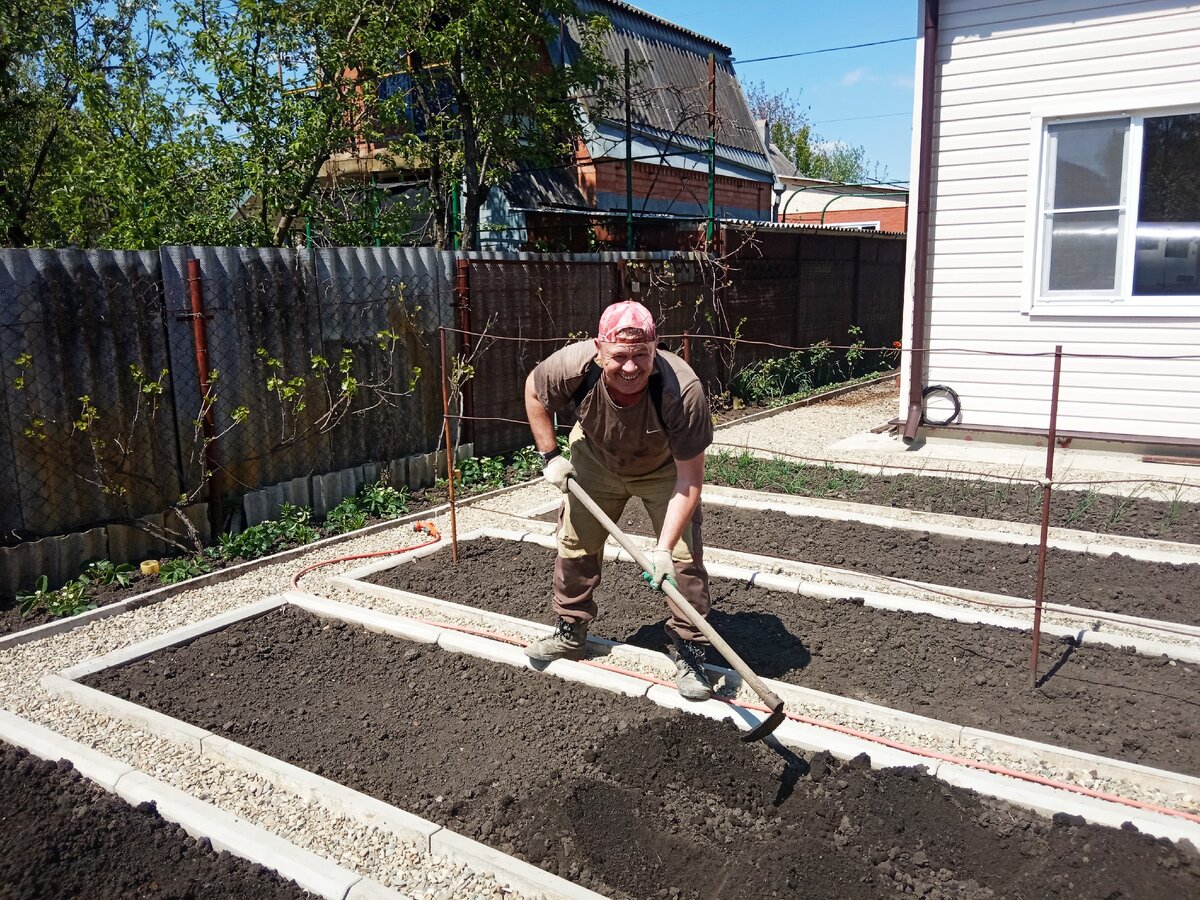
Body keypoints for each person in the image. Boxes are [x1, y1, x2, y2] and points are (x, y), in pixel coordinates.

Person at [522, 299, 715, 701]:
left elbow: (689, 479)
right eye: (619, 356)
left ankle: (691, 648)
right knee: (574, 544)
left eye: (641, 355)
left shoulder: (683, 390)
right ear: (599, 349)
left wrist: (661, 549)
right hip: (595, 458)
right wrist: (550, 456)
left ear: (655, 347)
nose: (631, 367)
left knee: (682, 558)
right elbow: (534, 391)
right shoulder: (573, 367)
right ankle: (571, 631)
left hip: (664, 468)